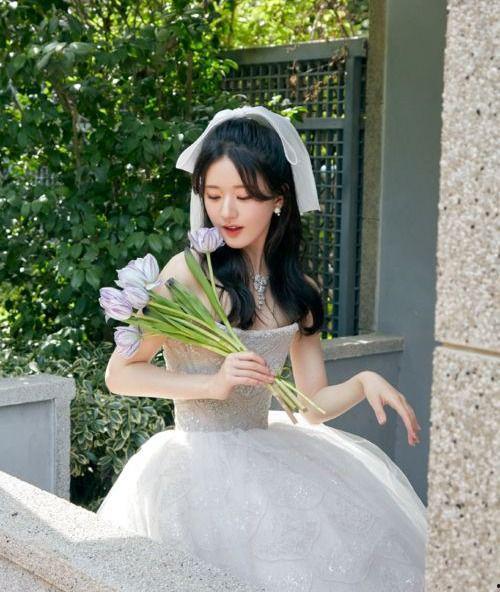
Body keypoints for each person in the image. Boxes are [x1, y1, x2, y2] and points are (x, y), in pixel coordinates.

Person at [96, 106, 427, 591]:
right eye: (213, 195)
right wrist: (213, 383)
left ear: (278, 199)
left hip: (272, 457)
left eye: (245, 195)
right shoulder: (188, 274)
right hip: (194, 469)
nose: (226, 212)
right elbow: (120, 374)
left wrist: (363, 382)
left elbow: (311, 406)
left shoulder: (298, 290)